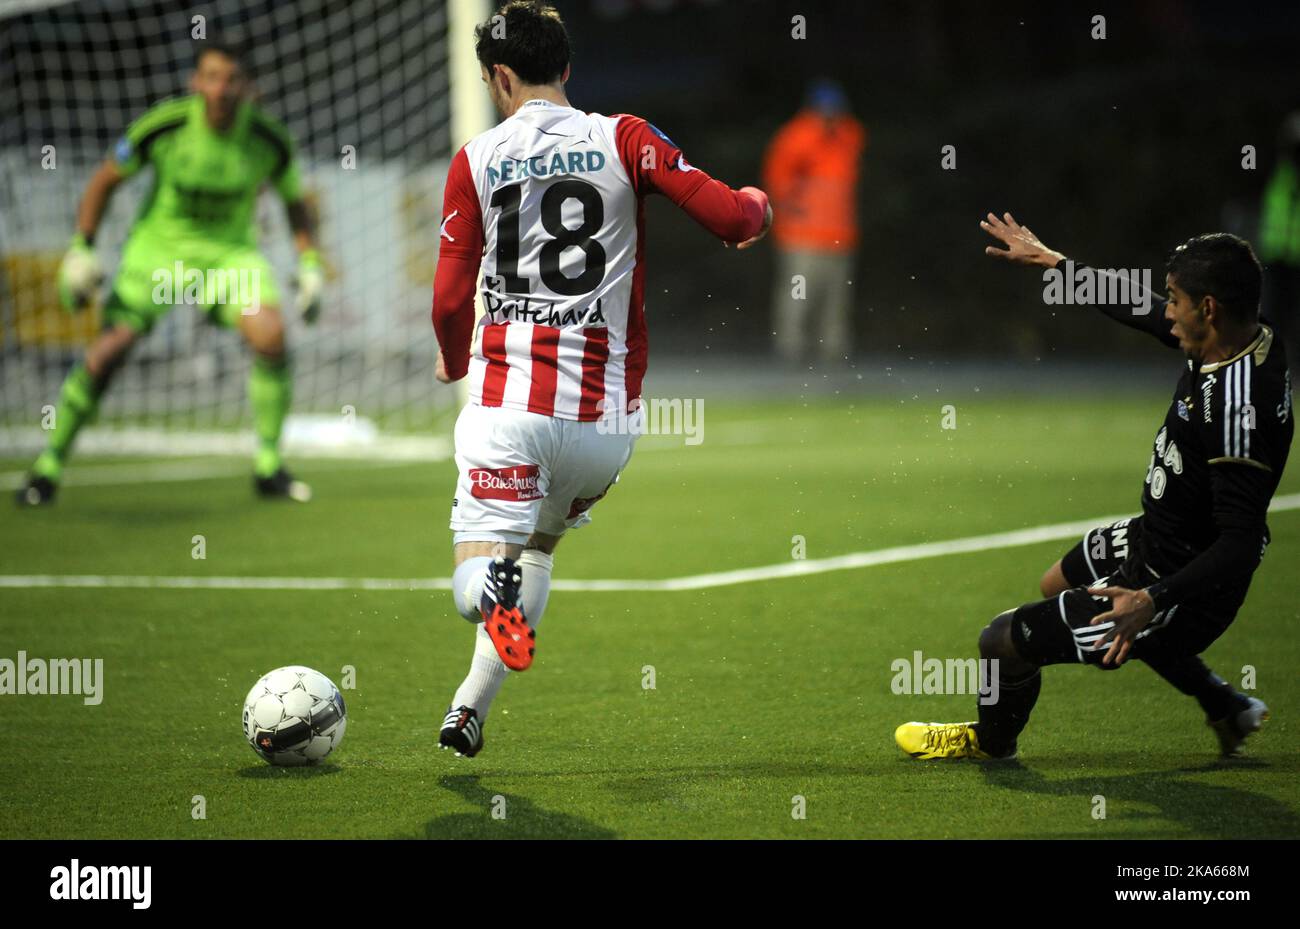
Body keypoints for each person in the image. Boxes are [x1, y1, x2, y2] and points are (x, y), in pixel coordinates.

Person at [431, 0, 771, 757]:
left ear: (500, 77)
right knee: (541, 547)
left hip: (507, 409)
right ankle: (468, 709)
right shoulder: (624, 137)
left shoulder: (477, 159)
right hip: (603, 428)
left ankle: (490, 592)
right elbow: (732, 219)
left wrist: (455, 361)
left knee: (480, 572)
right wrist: (757, 206)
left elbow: (451, 298)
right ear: (569, 70)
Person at [896, 214, 1292, 761]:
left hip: (1179, 574)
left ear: (1208, 309)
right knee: (1054, 582)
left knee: (999, 643)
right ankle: (1224, 705)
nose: (1165, 310)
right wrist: (1056, 263)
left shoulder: (1235, 409)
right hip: (1156, 533)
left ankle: (991, 743)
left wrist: (1150, 599)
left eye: (1174, 299)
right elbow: (1139, 308)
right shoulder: (1242, 335)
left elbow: (1242, 542)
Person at [16, 41, 321, 506]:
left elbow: (295, 203)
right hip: (157, 254)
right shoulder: (166, 125)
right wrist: (82, 249)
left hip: (228, 257)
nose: (221, 89)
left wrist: (310, 263)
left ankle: (268, 465)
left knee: (270, 334)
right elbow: (105, 180)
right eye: (211, 77)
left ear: (246, 86)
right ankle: (48, 467)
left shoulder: (268, 140)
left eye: (231, 79)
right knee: (108, 351)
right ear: (195, 82)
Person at [761, 78, 866, 366]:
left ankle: (834, 353)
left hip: (840, 235)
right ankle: (790, 350)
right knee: (798, 295)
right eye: (824, 111)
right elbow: (778, 183)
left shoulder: (848, 135)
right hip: (802, 235)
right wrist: (793, 214)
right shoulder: (796, 138)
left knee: (837, 299)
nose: (830, 117)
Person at [1259, 111, 1300, 372]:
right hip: (1276, 257)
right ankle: (1271, 366)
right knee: (1273, 317)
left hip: (1295, 258)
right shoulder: (1279, 174)